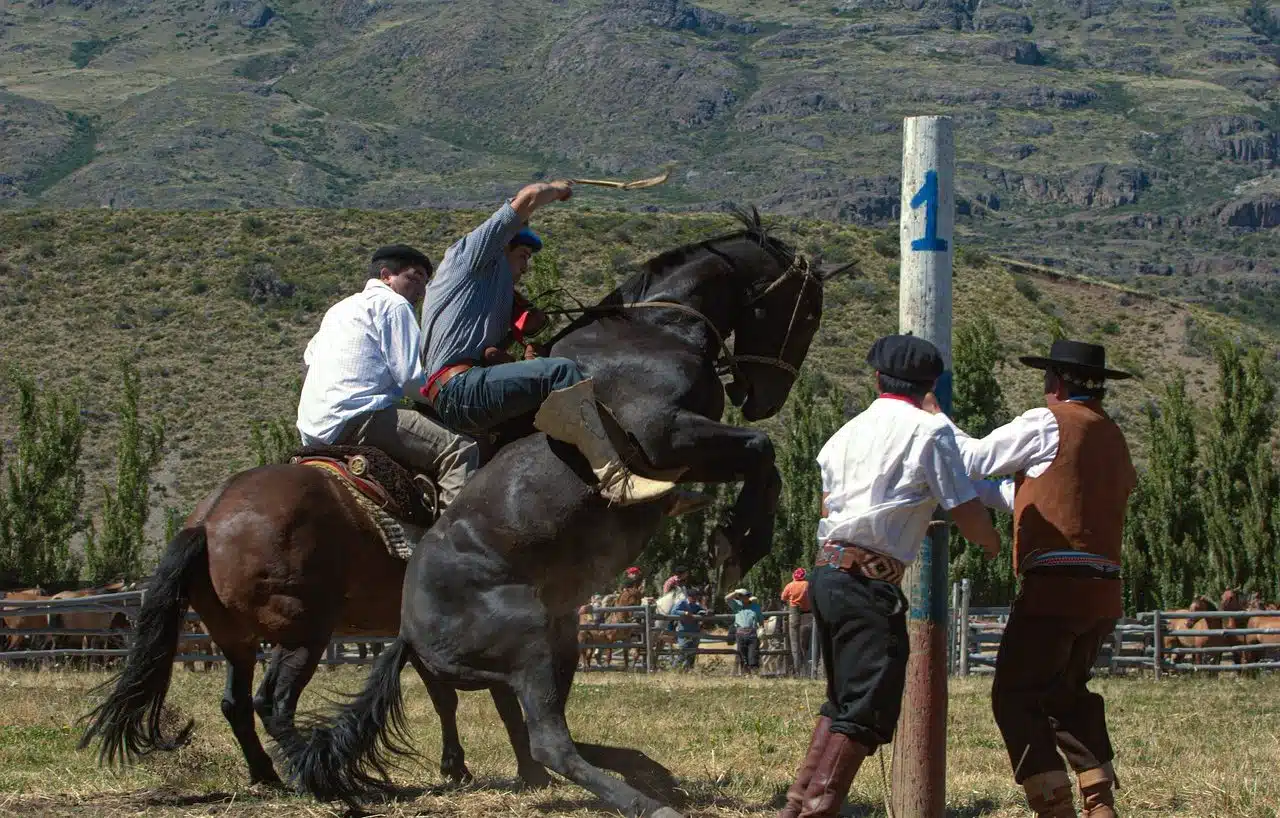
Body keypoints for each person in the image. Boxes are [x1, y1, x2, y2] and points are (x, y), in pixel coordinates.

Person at [776, 334, 1001, 818]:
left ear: (876, 378)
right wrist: (993, 542)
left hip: (829, 571)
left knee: (843, 699)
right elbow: (962, 504)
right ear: (930, 384)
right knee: (866, 704)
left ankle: (798, 806)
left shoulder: (845, 433)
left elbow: (827, 505)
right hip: (868, 581)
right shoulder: (929, 431)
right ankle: (817, 809)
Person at [925, 339, 1136, 818]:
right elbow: (1030, 492)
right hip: (1103, 593)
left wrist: (935, 418)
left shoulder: (1046, 423)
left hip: (1055, 588)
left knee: (1015, 697)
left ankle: (1053, 805)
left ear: (1055, 382)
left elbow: (974, 459)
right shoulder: (1111, 435)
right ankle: (1100, 802)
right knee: (1067, 694)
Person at [418, 180, 674, 506]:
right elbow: (527, 198)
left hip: (458, 392)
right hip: (460, 389)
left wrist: (524, 339)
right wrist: (557, 189)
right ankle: (616, 480)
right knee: (560, 374)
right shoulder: (470, 255)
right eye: (523, 255)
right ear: (502, 246)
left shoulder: (486, 296)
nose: (526, 267)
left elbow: (491, 353)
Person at [296, 245, 479, 509]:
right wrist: (451, 399)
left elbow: (309, 357)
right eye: (414, 278)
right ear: (386, 276)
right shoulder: (394, 304)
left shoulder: (338, 309)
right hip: (359, 417)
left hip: (312, 430)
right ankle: (450, 544)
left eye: (424, 284)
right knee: (460, 449)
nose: (420, 290)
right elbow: (411, 379)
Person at [781, 568, 812, 674]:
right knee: (808, 643)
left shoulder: (790, 585)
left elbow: (783, 598)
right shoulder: (808, 584)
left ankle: (797, 669)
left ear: (794, 576)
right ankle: (809, 668)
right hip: (808, 614)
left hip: (794, 613)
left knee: (794, 643)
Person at [725, 588, 763, 675]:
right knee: (742, 655)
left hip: (752, 633)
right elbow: (727, 598)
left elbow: (761, 621)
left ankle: (754, 674)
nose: (742, 598)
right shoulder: (737, 605)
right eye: (740, 596)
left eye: (744, 596)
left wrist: (761, 629)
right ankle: (746, 674)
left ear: (748, 597)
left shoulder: (755, 607)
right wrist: (736, 592)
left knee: (753, 654)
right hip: (740, 633)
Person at [670, 588, 708, 670]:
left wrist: (704, 612)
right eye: (693, 597)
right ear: (689, 597)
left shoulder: (696, 605)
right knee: (683, 651)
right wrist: (684, 613)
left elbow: (700, 610)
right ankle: (674, 669)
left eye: (696, 597)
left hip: (695, 631)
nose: (695, 599)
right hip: (684, 631)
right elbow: (673, 611)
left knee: (693, 653)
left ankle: (689, 670)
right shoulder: (682, 603)